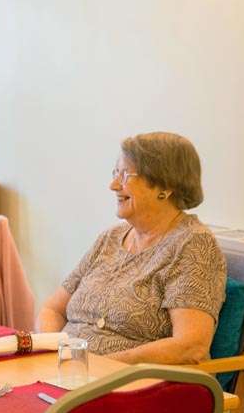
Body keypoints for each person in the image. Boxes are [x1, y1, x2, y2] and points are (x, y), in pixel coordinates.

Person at [36, 132, 226, 364]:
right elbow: (52, 309)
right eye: (115, 173)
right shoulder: (111, 238)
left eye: (126, 175)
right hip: (70, 372)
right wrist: (53, 352)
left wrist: (100, 367)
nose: (113, 185)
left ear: (164, 187)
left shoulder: (193, 244)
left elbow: (190, 346)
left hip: (136, 382)